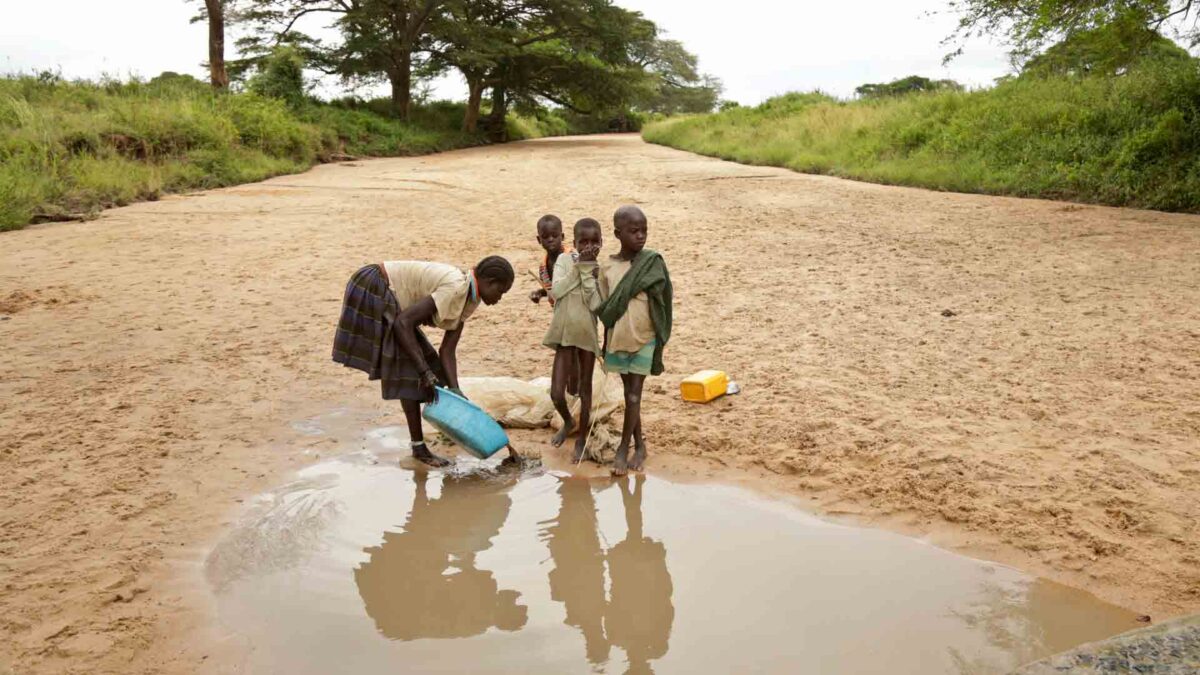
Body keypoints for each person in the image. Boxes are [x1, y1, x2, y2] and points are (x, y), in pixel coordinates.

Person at [332, 256, 515, 467]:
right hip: (374, 285)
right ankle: (419, 449)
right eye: (500, 292)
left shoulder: (469, 298)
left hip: (394, 303)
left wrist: (456, 393)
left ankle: (420, 444)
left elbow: (447, 350)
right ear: (489, 282)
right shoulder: (457, 287)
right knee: (412, 371)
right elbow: (403, 323)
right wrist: (424, 372)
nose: (500, 298)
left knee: (430, 368)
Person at [597, 206, 672, 476]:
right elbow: (607, 308)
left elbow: (663, 302)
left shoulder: (652, 262)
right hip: (619, 338)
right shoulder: (607, 267)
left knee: (633, 395)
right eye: (633, 231)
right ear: (618, 233)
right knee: (632, 398)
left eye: (644, 230)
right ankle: (640, 445)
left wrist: (661, 334)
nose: (640, 236)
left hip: (645, 337)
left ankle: (623, 448)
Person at [542, 218, 604, 459]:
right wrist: (580, 268)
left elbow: (596, 304)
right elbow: (555, 292)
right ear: (574, 243)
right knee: (557, 393)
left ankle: (582, 439)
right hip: (564, 332)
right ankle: (568, 422)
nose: (588, 247)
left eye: (593, 242)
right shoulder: (564, 260)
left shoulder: (602, 268)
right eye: (583, 242)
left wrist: (589, 273)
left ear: (601, 242)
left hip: (587, 333)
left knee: (585, 389)